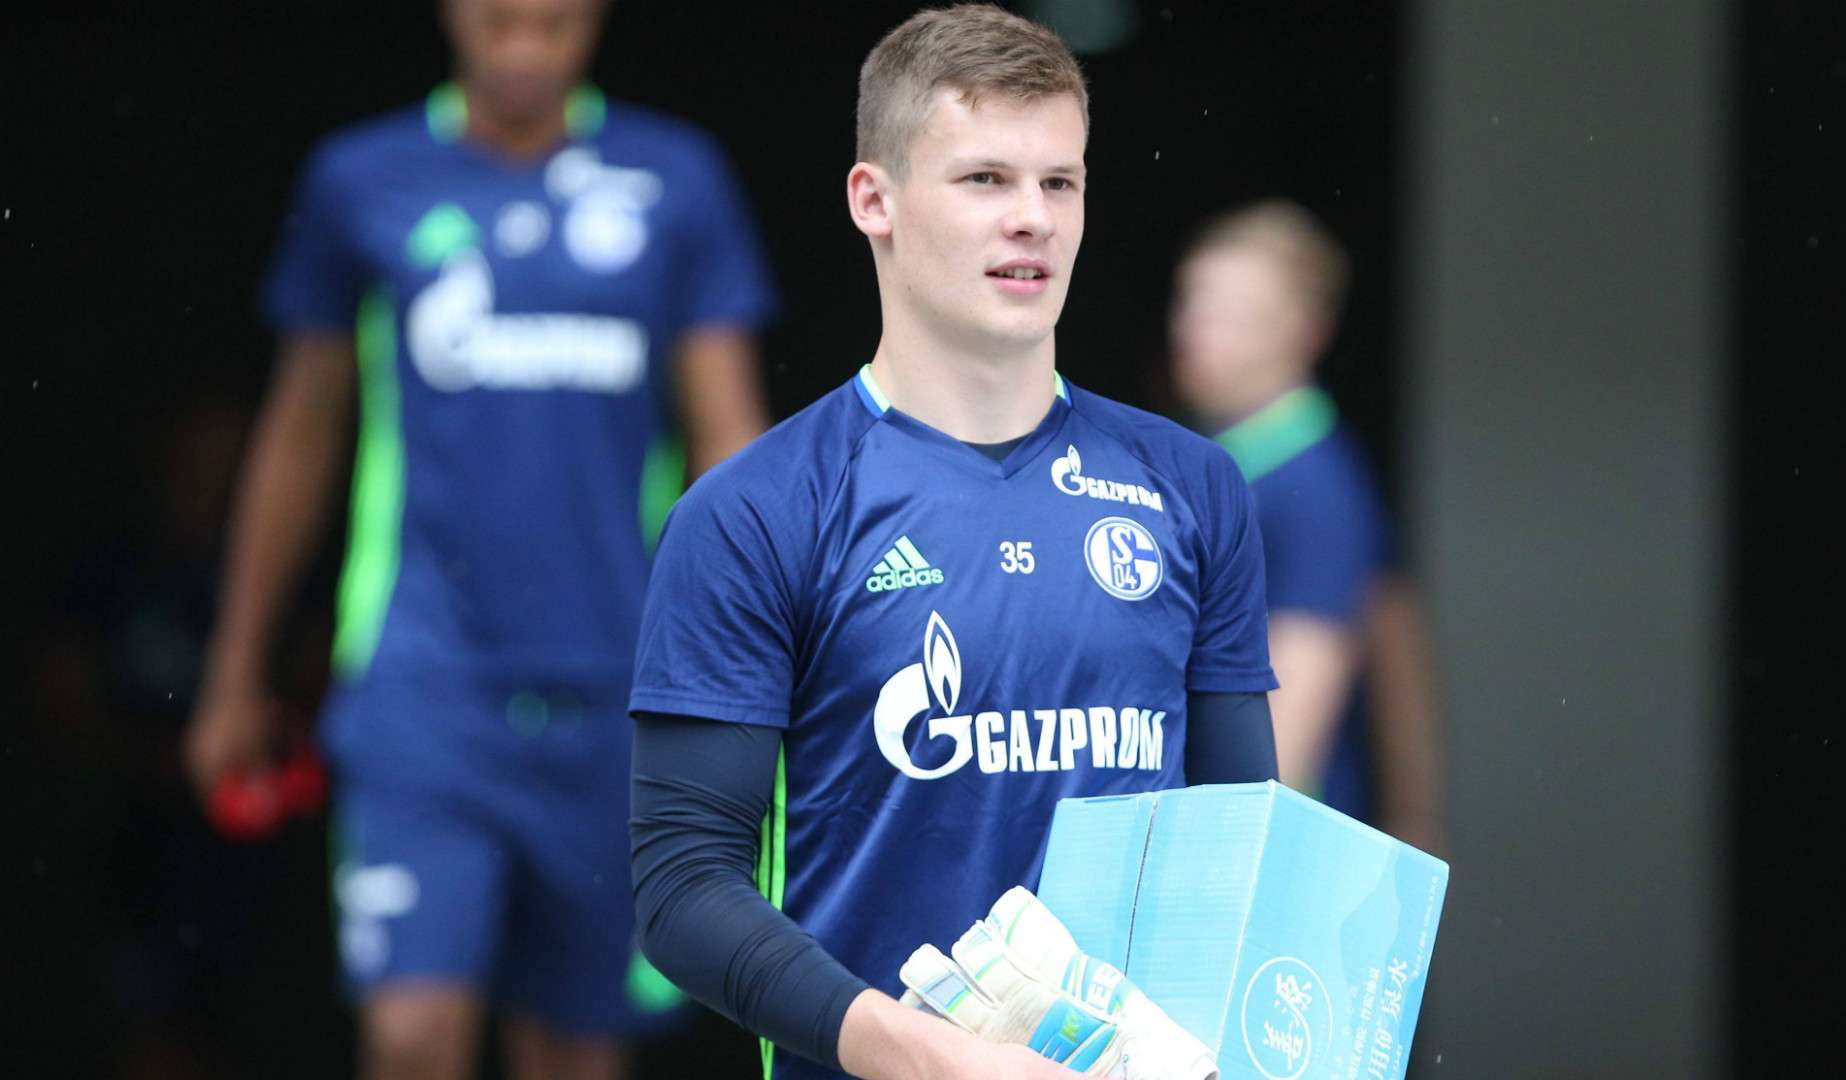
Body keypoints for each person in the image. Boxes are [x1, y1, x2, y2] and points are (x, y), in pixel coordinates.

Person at [625, 7, 1281, 1080]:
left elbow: (1239, 849)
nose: (1032, 218)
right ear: (872, 201)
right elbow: (683, 889)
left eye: (1058, 182)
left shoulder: (1192, 486)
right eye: (985, 180)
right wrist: (926, 1058)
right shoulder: (754, 511)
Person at [182, 0, 775, 1075]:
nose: (523, 51)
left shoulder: (674, 179)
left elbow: (728, 448)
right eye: (500, 21)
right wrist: (234, 667)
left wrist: (759, 669)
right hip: (425, 682)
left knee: (576, 1051)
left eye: (551, 25)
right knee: (412, 1033)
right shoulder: (362, 177)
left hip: (617, 691)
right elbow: (302, 432)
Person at [1170, 200, 1444, 850]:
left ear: (1305, 331)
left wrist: (1217, 860)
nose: (1196, 330)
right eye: (1195, 303)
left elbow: (1290, 723)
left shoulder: (1315, 485)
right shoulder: (1230, 464)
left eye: (1236, 314)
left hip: (1258, 851)